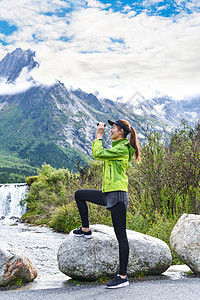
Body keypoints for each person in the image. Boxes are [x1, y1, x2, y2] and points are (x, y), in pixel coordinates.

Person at [73, 119, 140, 289]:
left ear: (121, 132)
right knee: (79, 195)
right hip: (108, 193)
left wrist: (98, 135)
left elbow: (98, 154)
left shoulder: (122, 148)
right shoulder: (117, 147)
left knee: (121, 235)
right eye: (110, 128)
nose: (110, 130)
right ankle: (86, 229)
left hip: (117, 195)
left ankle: (123, 276)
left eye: (113, 128)